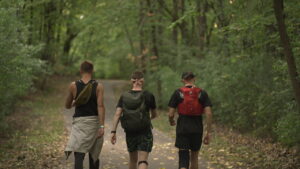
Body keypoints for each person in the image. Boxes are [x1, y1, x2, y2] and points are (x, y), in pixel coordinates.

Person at [111, 71, 157, 169]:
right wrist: (146, 118)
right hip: (145, 131)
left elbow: (117, 114)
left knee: (132, 160)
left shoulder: (124, 96)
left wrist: (113, 131)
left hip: (130, 131)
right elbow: (154, 114)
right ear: (142, 81)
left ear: (131, 81)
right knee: (142, 160)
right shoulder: (148, 95)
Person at [64, 61, 105, 169]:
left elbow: (67, 105)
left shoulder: (73, 85)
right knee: (94, 155)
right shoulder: (98, 86)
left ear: (81, 70)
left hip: (79, 124)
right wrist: (101, 126)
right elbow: (100, 106)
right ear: (92, 71)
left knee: (78, 154)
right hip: (94, 123)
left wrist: (73, 102)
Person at [168, 72, 213, 169]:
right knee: (194, 158)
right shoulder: (202, 93)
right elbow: (209, 114)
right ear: (194, 79)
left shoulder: (178, 93)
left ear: (183, 80)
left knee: (183, 158)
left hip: (183, 127)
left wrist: (171, 121)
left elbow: (171, 114)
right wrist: (208, 132)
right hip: (197, 128)